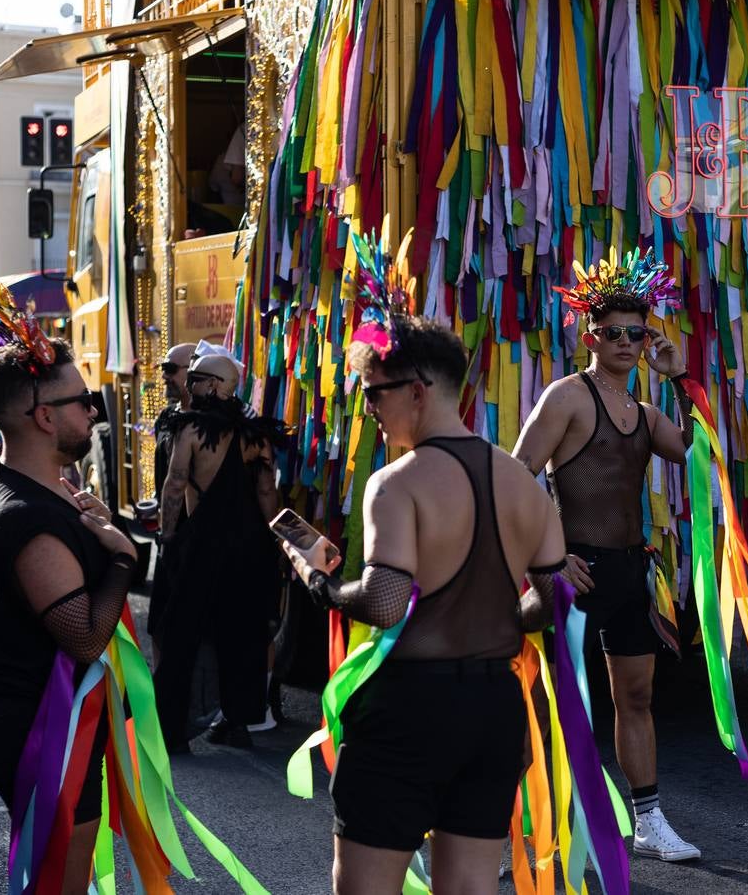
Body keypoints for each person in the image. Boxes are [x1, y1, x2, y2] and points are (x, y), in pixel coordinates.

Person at [281, 315, 570, 895]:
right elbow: (555, 595)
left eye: (372, 394)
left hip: (408, 709)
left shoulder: (396, 483)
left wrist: (318, 582)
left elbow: (386, 603)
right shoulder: (522, 482)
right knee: (468, 886)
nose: (368, 411)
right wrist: (493, 619)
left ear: (416, 390)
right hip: (492, 707)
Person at [511, 250, 701, 861]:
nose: (627, 342)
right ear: (591, 336)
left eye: (637, 333)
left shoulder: (645, 413)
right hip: (575, 570)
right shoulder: (567, 397)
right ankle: (528, 826)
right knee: (549, 703)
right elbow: (517, 478)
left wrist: (678, 376)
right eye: (614, 332)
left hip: (627, 570)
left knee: (636, 699)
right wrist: (548, 559)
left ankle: (647, 819)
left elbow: (695, 452)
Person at [0, 337, 138, 891]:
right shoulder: (30, 518)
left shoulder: (25, 483)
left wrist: (91, 522)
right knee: (60, 882)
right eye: (83, 399)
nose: (92, 410)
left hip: (49, 725)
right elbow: (84, 641)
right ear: (43, 416)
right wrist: (123, 560)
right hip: (46, 733)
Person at [155, 353, 282, 751]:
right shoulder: (256, 434)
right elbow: (266, 493)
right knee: (243, 633)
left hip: (203, 545)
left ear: (213, 386)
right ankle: (239, 723)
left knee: (182, 634)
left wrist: (167, 535)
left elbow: (175, 486)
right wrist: (280, 539)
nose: (189, 385)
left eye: (195, 379)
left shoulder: (189, 429)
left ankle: (173, 732)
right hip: (248, 547)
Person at [147, 341, 196, 659]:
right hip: (168, 540)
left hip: (195, 540)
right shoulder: (166, 419)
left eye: (170, 369)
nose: (163, 376)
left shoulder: (213, 424)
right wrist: (156, 504)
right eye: (162, 369)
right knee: (158, 623)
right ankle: (162, 691)